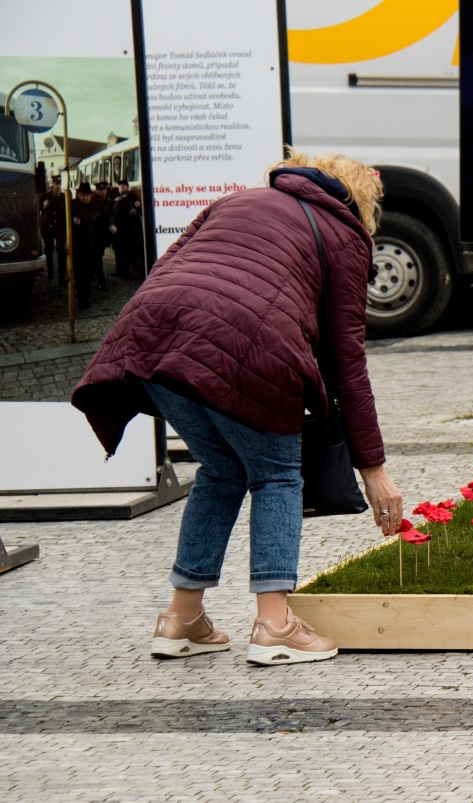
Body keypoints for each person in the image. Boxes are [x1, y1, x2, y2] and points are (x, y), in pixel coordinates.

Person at [71, 150, 403, 666]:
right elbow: (347, 361)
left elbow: (170, 266)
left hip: (153, 339)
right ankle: (275, 626)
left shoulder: (236, 200)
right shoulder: (344, 236)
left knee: (223, 469)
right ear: (358, 201)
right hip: (247, 345)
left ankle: (181, 619)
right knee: (275, 475)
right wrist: (374, 470)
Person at [70, 183, 108, 306]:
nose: (85, 198)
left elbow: (105, 218)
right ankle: (83, 298)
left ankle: (87, 293)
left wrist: (110, 226)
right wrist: (73, 221)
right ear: (78, 195)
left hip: (94, 243)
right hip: (79, 244)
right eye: (82, 195)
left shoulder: (98, 204)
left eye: (87, 195)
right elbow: (63, 221)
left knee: (91, 270)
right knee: (81, 271)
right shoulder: (72, 205)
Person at [108, 181, 144, 279]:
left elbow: (134, 206)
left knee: (125, 251)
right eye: (120, 186)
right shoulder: (117, 198)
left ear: (127, 187)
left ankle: (125, 272)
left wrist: (133, 210)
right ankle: (119, 271)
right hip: (117, 228)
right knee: (117, 250)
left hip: (126, 229)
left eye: (123, 186)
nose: (121, 188)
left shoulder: (130, 197)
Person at [39, 175, 68, 286]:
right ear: (53, 184)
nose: (58, 186)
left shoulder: (64, 197)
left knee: (61, 252)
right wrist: (44, 206)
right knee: (49, 250)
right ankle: (50, 271)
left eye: (60, 184)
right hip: (48, 228)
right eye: (56, 184)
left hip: (60, 228)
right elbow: (37, 208)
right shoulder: (45, 196)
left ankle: (61, 277)